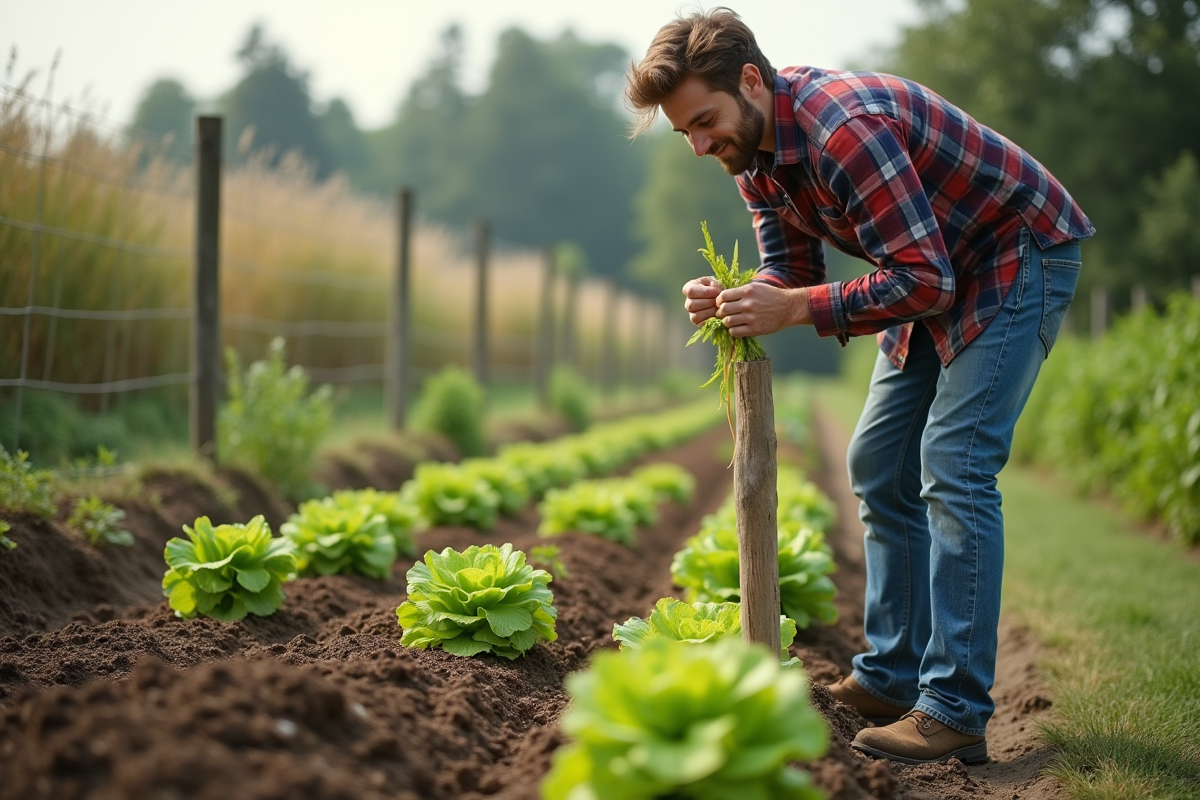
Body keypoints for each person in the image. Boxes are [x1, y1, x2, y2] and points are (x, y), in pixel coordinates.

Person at [625, 7, 1093, 766]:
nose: (701, 144)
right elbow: (797, 275)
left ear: (751, 79)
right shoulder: (755, 159)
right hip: (932, 269)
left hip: (1011, 254)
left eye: (705, 121)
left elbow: (925, 280)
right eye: (687, 134)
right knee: (877, 463)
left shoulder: (845, 131)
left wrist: (795, 307)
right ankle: (889, 676)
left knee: (956, 465)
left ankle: (954, 707)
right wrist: (740, 295)